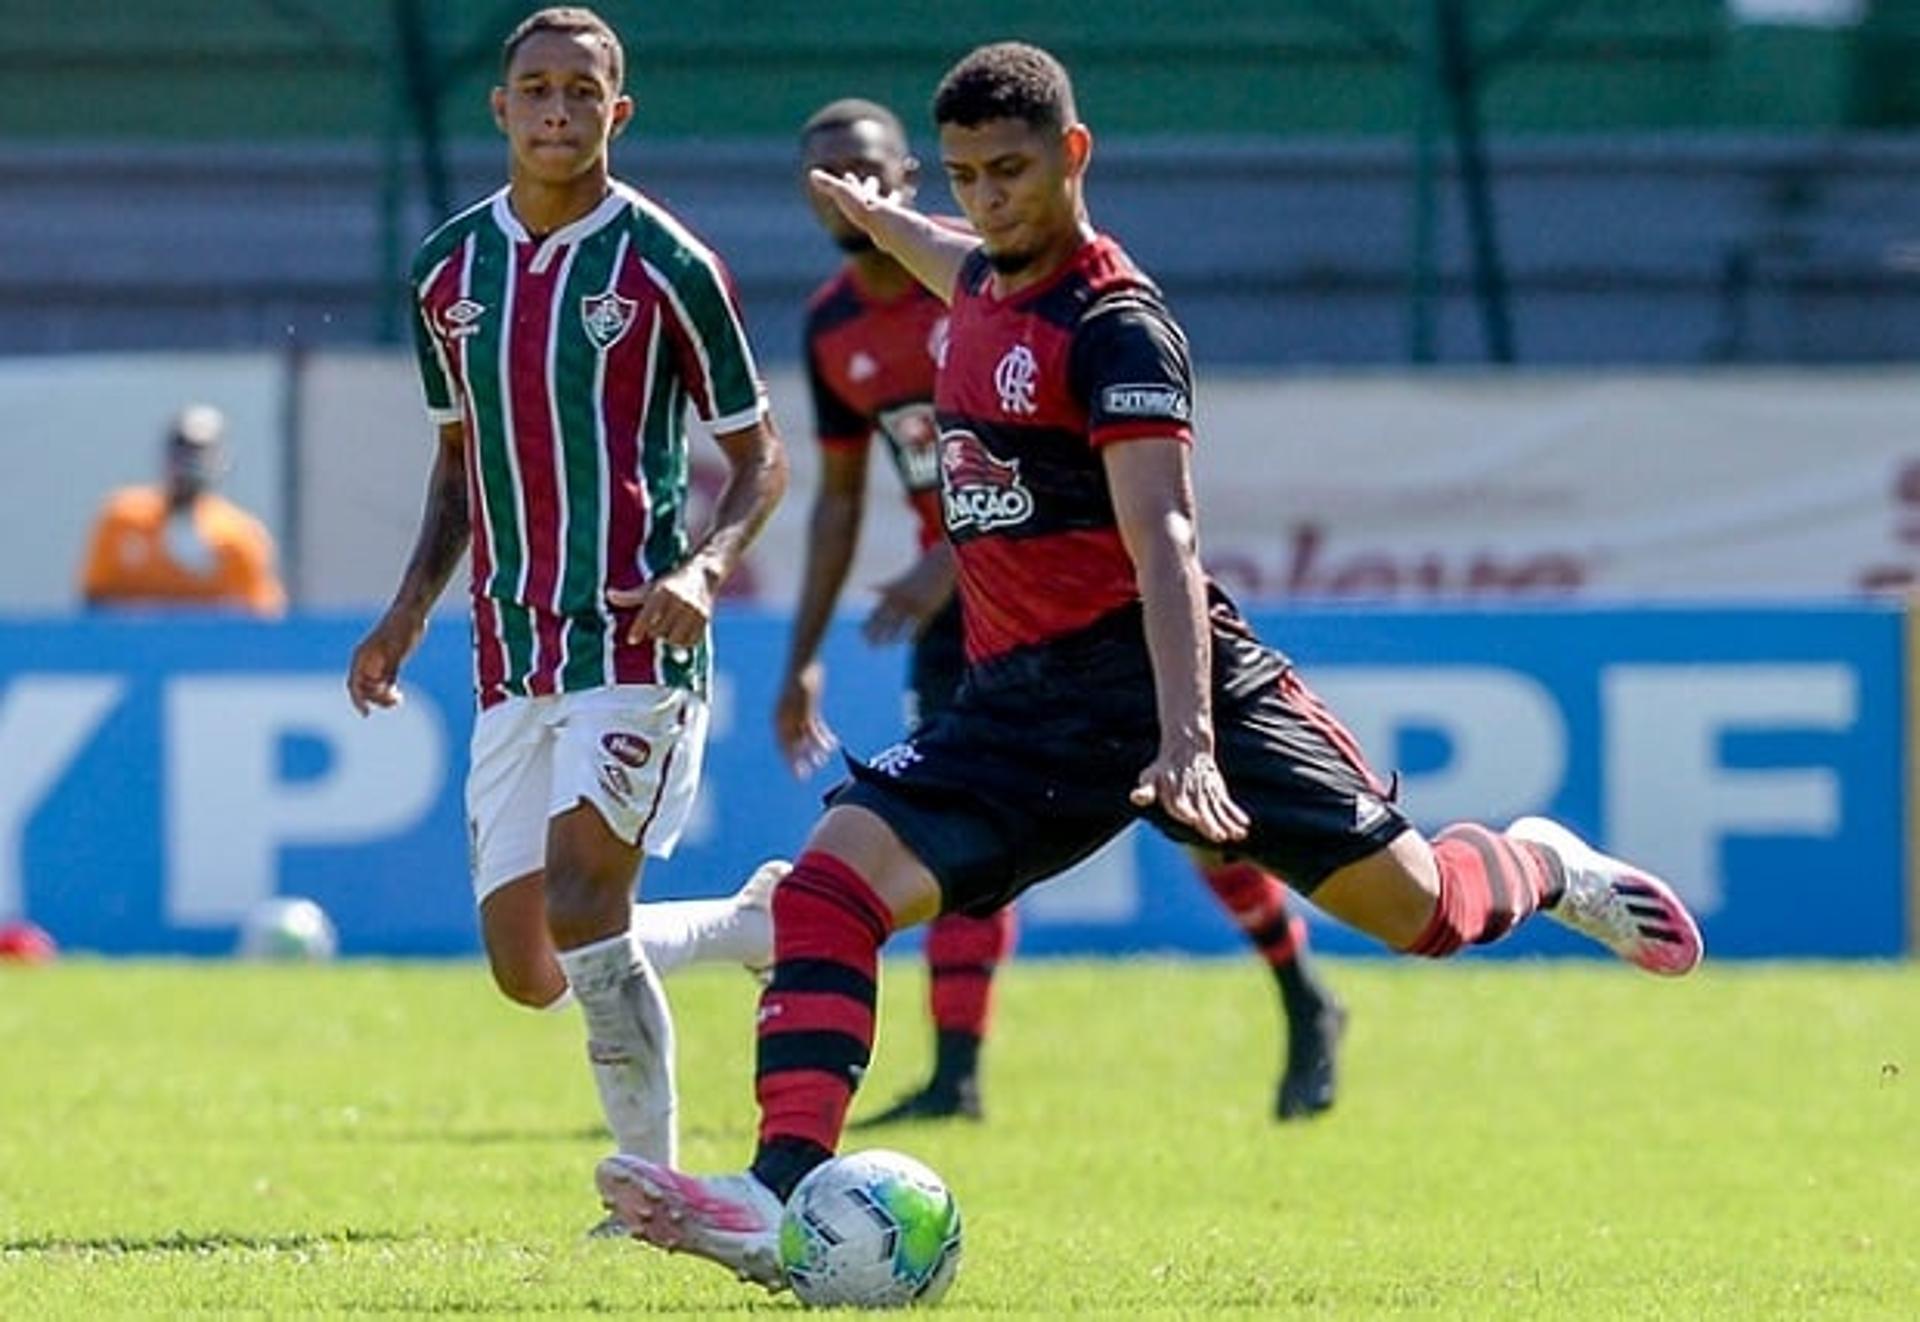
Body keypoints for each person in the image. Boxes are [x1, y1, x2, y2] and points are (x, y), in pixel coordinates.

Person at [595, 42, 1703, 1289]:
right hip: (1021, 705)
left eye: (1011, 171)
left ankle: (1546, 862)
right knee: (827, 886)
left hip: (1177, 681)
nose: (987, 198)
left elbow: (1167, 538)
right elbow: (953, 256)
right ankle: (776, 1192)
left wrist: (1185, 739)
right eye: (963, 176)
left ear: (1075, 156)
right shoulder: (976, 275)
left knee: (1421, 915)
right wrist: (871, 211)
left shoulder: (1116, 325)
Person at [783, 97, 1345, 1127]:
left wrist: (942, 564)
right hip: (971, 619)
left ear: (908, 177)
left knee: (1205, 830)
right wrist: (801, 657)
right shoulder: (830, 327)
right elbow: (840, 497)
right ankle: (956, 1073)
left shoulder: (998, 290)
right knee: (944, 836)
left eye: (870, 168)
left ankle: (1301, 989)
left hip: (1083, 606)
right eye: (829, 172)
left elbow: (1073, 488)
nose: (853, 189)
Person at [345, 6, 788, 1182]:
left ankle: (651, 1181)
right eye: (535, 90)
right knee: (528, 966)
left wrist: (703, 565)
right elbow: (458, 462)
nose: (556, 110)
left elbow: (761, 456)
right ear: (501, 109)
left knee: (590, 904)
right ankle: (746, 927)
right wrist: (405, 614)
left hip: (635, 639)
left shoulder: (669, 264)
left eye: (580, 93)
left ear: (617, 112)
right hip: (510, 645)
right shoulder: (446, 271)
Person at [79, 403, 287, 616]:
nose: (189, 464)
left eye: (200, 453)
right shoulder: (123, 518)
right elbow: (95, 599)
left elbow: (261, 616)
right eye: (181, 452)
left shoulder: (240, 536)